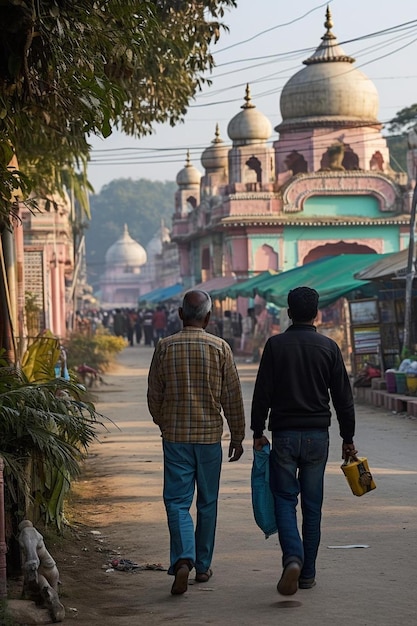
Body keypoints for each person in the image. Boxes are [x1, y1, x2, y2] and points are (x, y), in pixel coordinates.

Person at [251, 286, 357, 596]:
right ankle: (307, 573)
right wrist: (347, 438)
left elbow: (262, 392)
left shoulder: (275, 345)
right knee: (313, 507)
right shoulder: (328, 347)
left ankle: (292, 559)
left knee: (285, 500)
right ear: (317, 313)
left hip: (283, 435)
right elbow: (343, 399)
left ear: (288, 312)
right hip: (316, 437)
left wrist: (258, 431)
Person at [147, 289, 245, 596]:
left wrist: (164, 422)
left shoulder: (165, 347)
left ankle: (183, 559)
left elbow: (154, 395)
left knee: (177, 502)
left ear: (179, 315)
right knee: (207, 503)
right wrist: (238, 435)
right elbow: (232, 397)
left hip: (175, 438)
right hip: (208, 439)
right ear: (208, 317)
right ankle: (201, 566)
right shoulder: (220, 348)